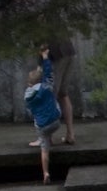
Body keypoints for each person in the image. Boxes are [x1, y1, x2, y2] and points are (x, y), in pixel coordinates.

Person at [22, 42, 73, 182]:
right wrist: (45, 60)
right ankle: (70, 134)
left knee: (50, 97)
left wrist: (43, 59)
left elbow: (30, 107)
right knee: (61, 94)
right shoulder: (46, 85)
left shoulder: (28, 95)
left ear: (29, 85)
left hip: (43, 125)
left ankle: (46, 170)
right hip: (56, 121)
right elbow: (49, 74)